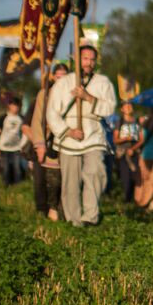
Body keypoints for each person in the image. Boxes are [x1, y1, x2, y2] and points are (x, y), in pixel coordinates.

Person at [47, 44, 117, 226]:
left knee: (95, 173)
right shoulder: (63, 83)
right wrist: (68, 131)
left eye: (92, 59)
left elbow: (109, 108)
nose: (89, 63)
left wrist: (88, 97)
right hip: (69, 135)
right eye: (85, 59)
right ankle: (74, 220)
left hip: (93, 133)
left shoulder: (103, 82)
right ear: (77, 60)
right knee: (71, 180)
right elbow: (52, 112)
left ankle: (90, 217)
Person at [24, 64, 66, 221]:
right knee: (42, 181)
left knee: (60, 180)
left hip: (63, 142)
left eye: (64, 76)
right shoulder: (44, 95)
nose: (61, 80)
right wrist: (39, 143)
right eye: (58, 76)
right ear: (53, 77)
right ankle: (43, 210)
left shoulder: (71, 94)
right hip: (45, 141)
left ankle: (59, 209)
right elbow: (33, 122)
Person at [112, 98, 144, 204]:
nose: (129, 107)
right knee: (126, 177)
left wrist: (133, 149)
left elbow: (141, 139)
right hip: (123, 154)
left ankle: (136, 199)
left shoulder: (137, 121)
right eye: (126, 106)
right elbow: (115, 140)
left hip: (135, 153)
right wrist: (125, 139)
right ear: (122, 109)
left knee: (136, 176)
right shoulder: (119, 122)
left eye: (130, 105)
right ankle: (126, 200)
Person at [0, 97, 27, 186]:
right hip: (4, 147)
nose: (16, 108)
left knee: (17, 168)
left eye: (18, 106)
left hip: (16, 147)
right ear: (9, 105)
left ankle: (18, 186)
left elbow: (25, 132)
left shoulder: (21, 118)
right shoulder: (3, 118)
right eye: (14, 105)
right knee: (5, 168)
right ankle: (6, 185)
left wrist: (23, 145)